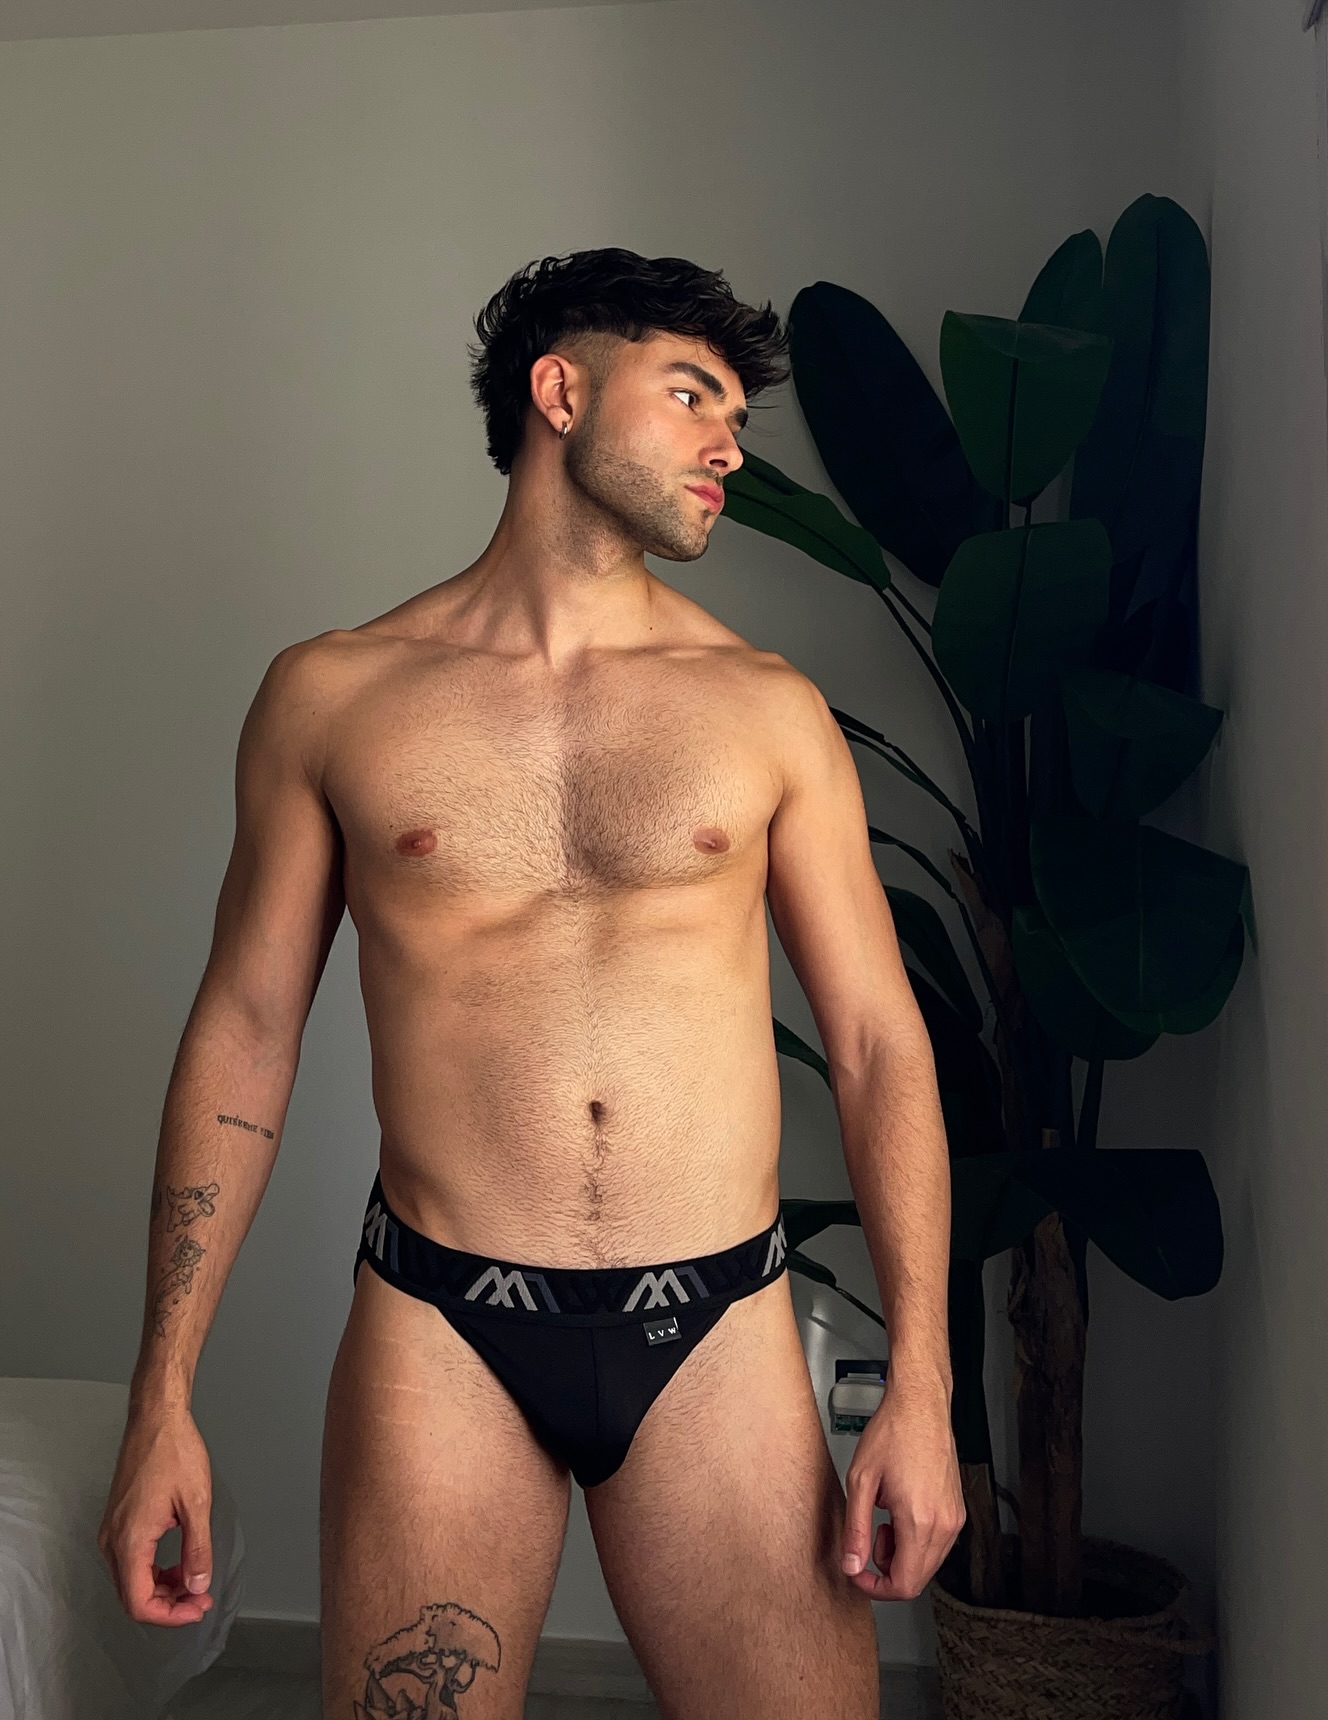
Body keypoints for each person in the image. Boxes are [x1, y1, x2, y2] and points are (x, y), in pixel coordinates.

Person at [97, 248, 964, 1719]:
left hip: (717, 1328)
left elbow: (880, 1043)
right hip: (442, 1326)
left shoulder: (767, 711)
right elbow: (244, 1033)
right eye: (691, 394)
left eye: (736, 414)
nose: (729, 446)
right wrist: (159, 1400)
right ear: (561, 393)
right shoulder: (335, 695)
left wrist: (926, 1392)